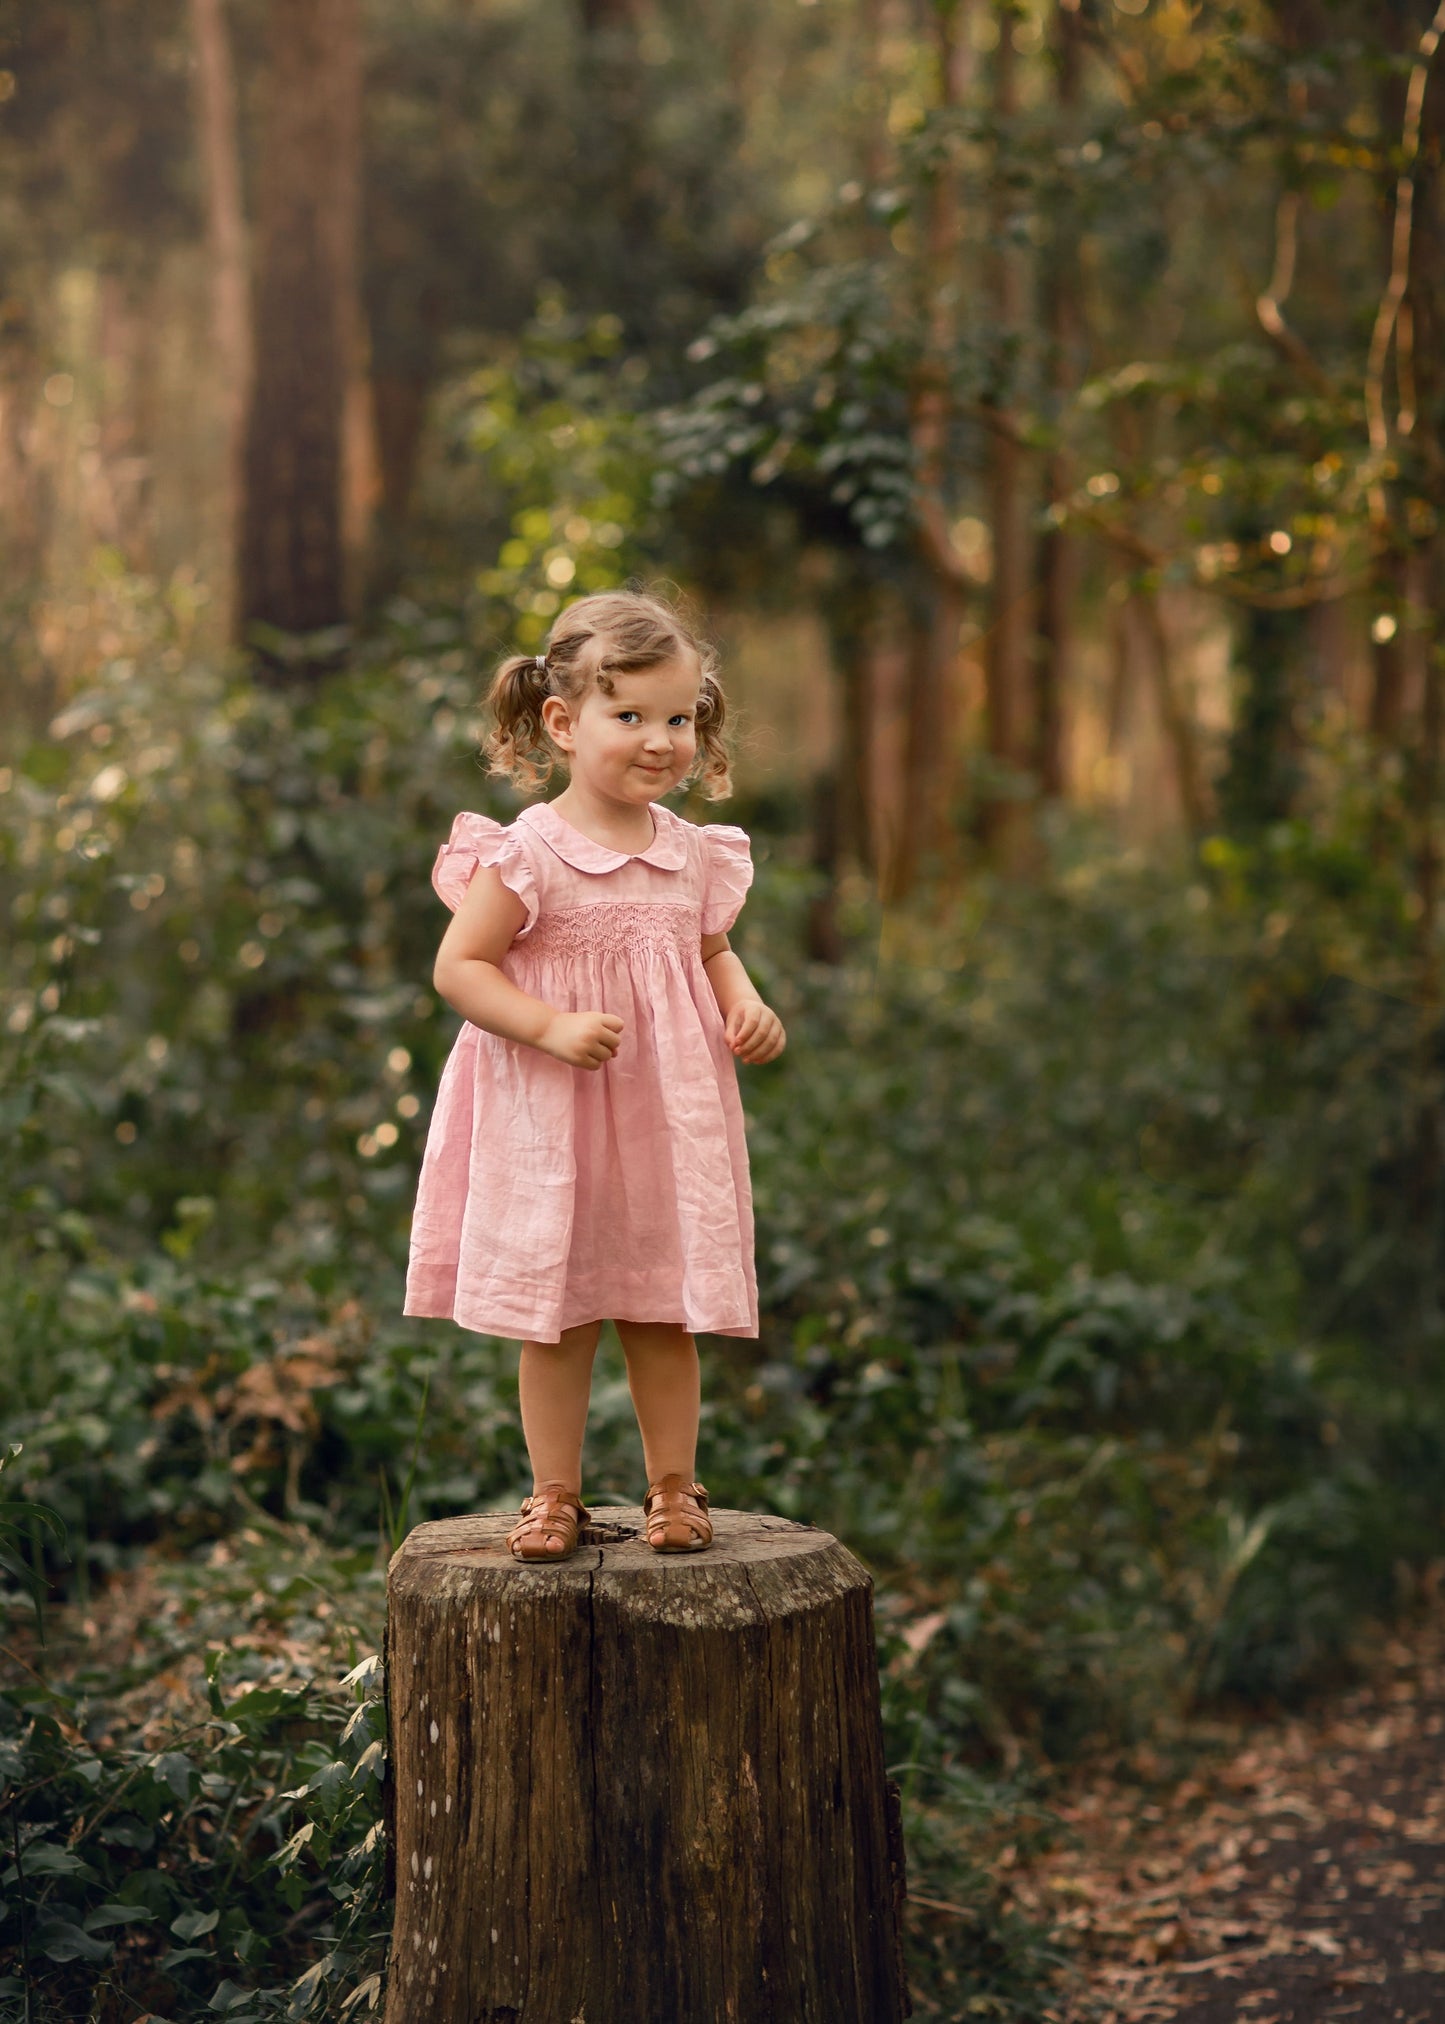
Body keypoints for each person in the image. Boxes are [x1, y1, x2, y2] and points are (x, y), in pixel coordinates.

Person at [404, 589, 786, 1563]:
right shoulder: (529, 849)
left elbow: (708, 951)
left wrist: (740, 998)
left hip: (663, 1117)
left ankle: (672, 1484)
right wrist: (548, 1021)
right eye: (632, 716)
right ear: (563, 722)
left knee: (660, 1307)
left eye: (679, 717)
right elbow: (460, 966)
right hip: (556, 1113)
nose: (660, 740)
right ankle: (553, 1493)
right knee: (560, 1317)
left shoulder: (691, 853)